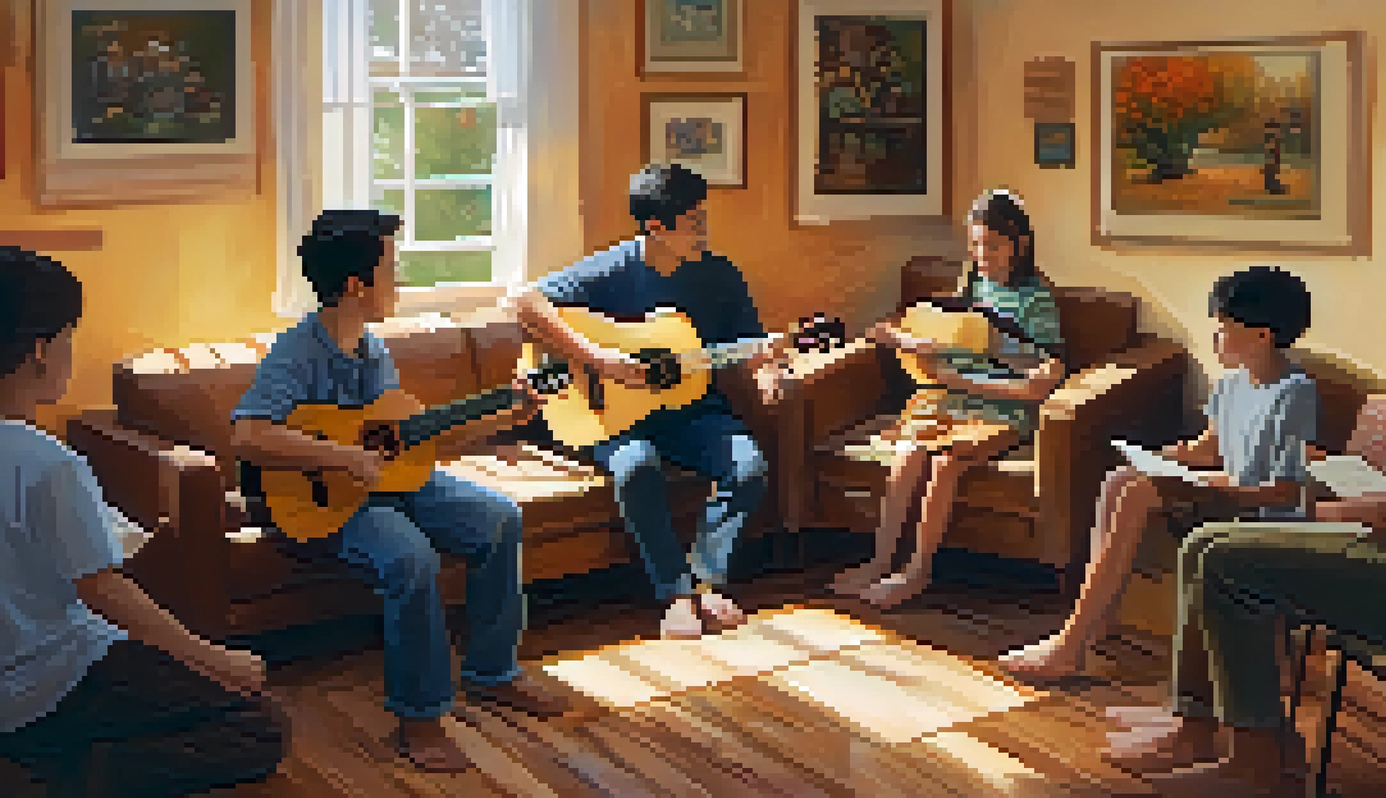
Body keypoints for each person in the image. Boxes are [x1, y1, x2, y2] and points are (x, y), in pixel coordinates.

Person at [1103, 148, 1386, 797]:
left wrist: (1316, 512)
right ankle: (1208, 731)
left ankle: (1258, 766)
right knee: (1206, 545)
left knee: (1224, 559)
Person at [230, 210, 569, 774]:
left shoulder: (372, 350)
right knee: (409, 558)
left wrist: (503, 417)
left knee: (498, 517)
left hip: (389, 482)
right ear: (357, 285)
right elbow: (248, 434)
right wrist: (342, 457)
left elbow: (409, 443)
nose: (400, 282)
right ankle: (419, 717)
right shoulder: (297, 352)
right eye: (392, 270)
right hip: (328, 502)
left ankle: (492, 672)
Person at [0, 247, 288, 796]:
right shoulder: (48, 462)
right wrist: (217, 659)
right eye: (68, 339)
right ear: (40, 350)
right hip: (52, 681)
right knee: (258, 725)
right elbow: (103, 589)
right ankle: (58, 778)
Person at [510, 164, 794, 639]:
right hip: (614, 418)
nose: (703, 230)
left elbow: (748, 346)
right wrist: (601, 359)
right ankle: (675, 593)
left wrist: (769, 372)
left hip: (693, 413)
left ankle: (708, 581)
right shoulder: (614, 267)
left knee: (748, 466)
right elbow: (524, 302)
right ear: (656, 227)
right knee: (636, 465)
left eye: (704, 218)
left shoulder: (720, 276)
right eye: (693, 221)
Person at [1001, 265, 1319, 681]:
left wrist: (1203, 484)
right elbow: (1208, 448)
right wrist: (1162, 457)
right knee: (1118, 480)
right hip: (1224, 495)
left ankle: (1069, 645)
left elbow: (1284, 490)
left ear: (1262, 336)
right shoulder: (1232, 385)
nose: (1215, 337)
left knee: (1136, 494)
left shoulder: (1294, 393)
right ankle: (1101, 616)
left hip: (1258, 511)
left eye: (1223, 327)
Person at [828, 189, 1068, 608]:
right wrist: (911, 343)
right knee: (908, 450)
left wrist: (964, 378)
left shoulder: (1036, 298)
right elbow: (950, 338)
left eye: (992, 245)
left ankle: (916, 572)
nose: (981, 255)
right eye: (975, 245)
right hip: (950, 397)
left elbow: (1040, 373)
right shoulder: (972, 286)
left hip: (1002, 406)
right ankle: (881, 561)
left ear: (1019, 244)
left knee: (945, 459)